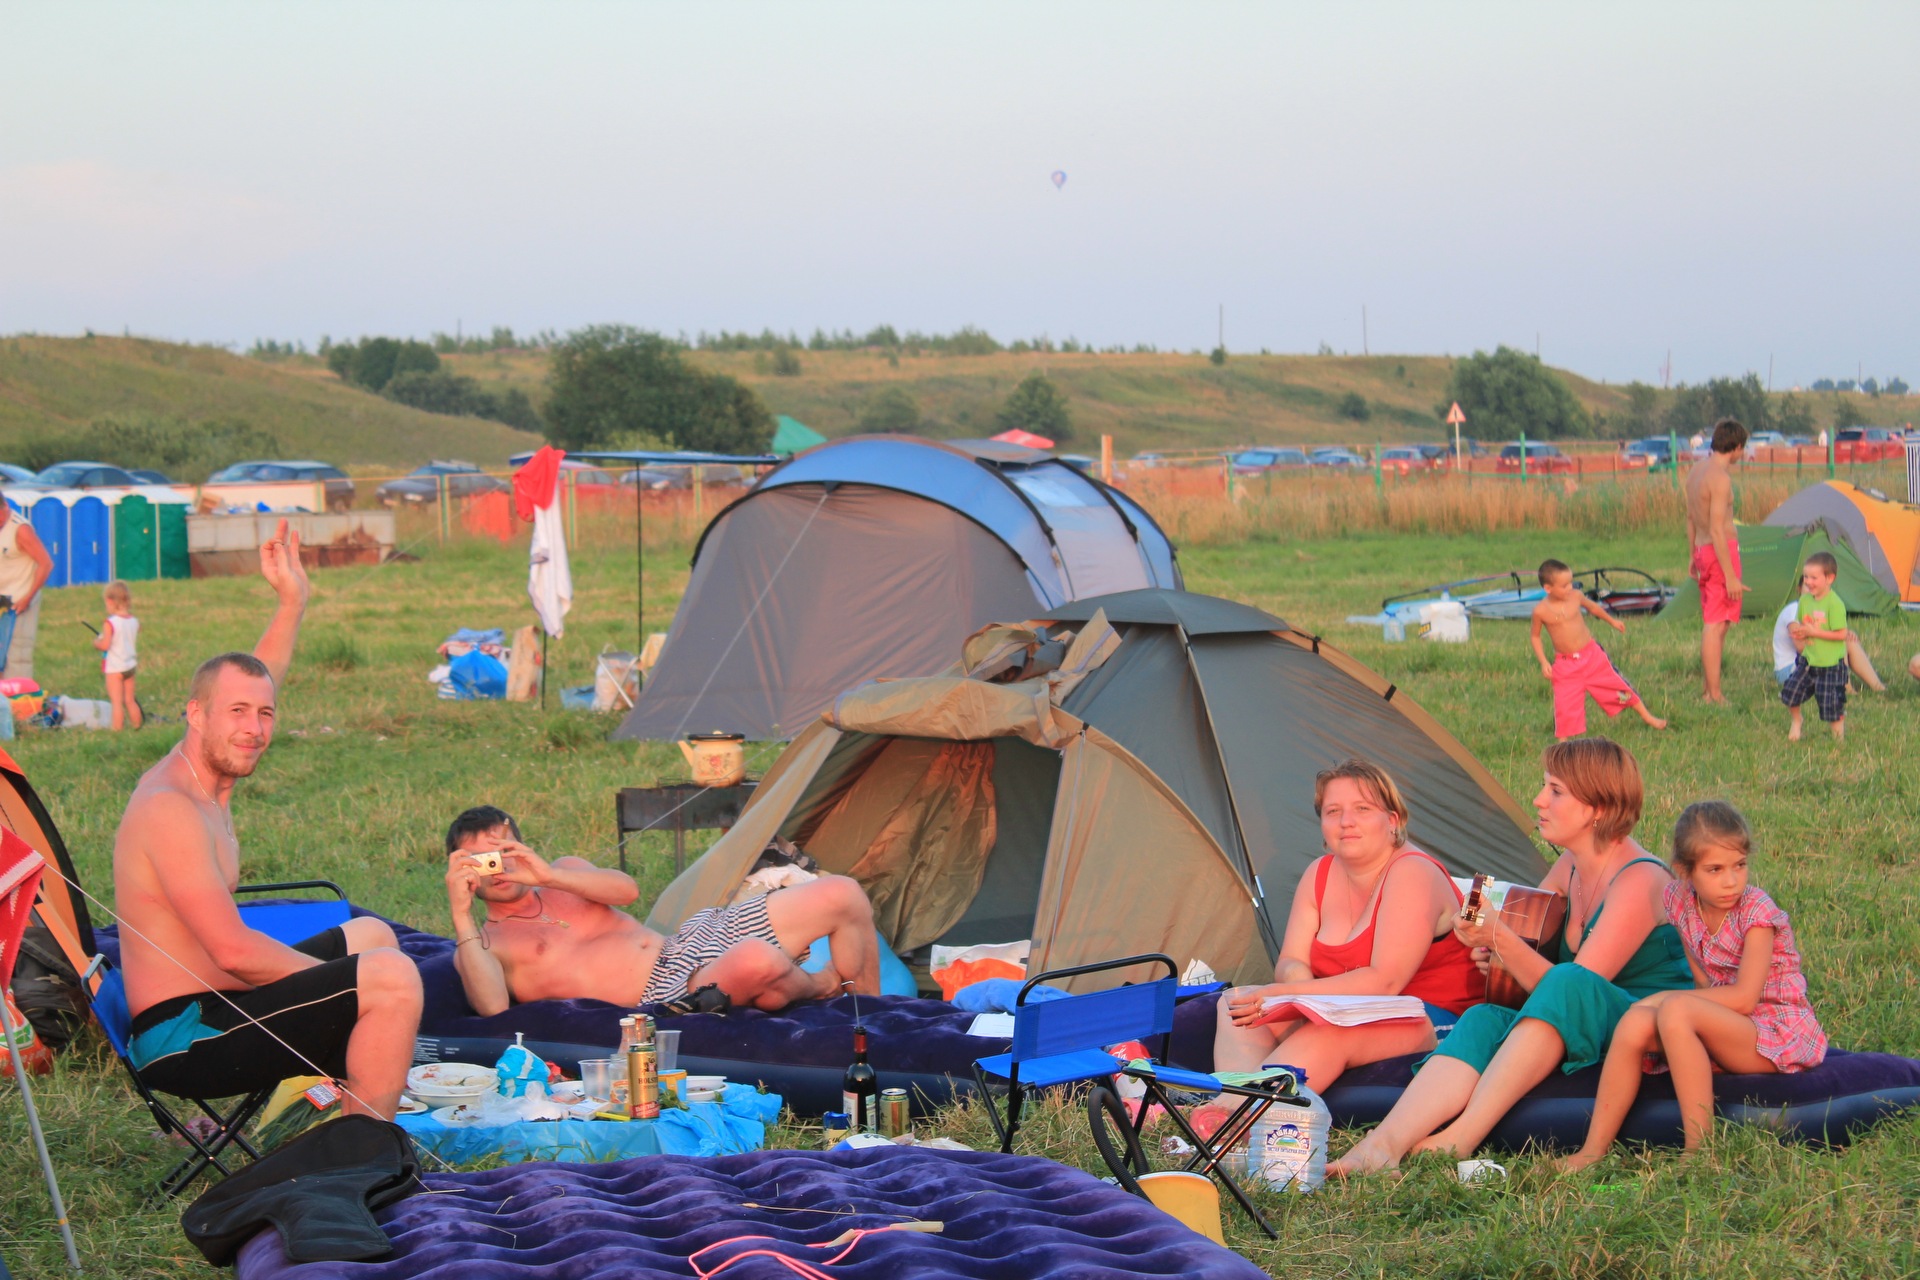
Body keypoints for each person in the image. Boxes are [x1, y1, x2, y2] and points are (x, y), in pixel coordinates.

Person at [114, 520, 422, 1120]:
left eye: (265, 714)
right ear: (195, 714)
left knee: (374, 937)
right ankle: (362, 1151)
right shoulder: (170, 808)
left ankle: (348, 1115)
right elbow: (235, 952)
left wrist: (292, 599)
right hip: (185, 1036)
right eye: (237, 713)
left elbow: (259, 675)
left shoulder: (209, 774)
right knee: (387, 975)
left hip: (218, 1002)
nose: (254, 728)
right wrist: (347, 988)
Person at [1328, 737, 1692, 1175]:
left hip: (1646, 1024)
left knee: (1567, 983)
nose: (1539, 800)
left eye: (1555, 791)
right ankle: (1384, 1143)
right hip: (1585, 1013)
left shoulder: (1640, 880)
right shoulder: (1571, 866)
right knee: (1483, 1017)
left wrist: (1502, 940)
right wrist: (1496, 953)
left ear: (1597, 807)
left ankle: (1460, 1138)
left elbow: (1575, 991)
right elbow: (1535, 953)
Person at [1556, 801, 1825, 1171]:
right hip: (1722, 1021)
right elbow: (1701, 981)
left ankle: (1700, 1151)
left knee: (1673, 1007)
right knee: (1634, 1023)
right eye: (1715, 869)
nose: (1731, 881)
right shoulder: (1679, 901)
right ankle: (1592, 1151)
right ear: (1685, 871)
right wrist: (1668, 1010)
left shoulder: (1757, 914)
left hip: (1773, 1030)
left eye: (1739, 866)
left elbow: (1745, 998)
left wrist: (1668, 1000)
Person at [1203, 760, 1481, 1113]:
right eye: (1333, 811)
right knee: (1237, 1005)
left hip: (1433, 1016)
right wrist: (1299, 996)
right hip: (1349, 1009)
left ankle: (1232, 1117)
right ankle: (1235, 1108)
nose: (1346, 822)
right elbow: (1290, 961)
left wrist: (1292, 995)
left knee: (1328, 1031)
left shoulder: (1412, 872)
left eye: (1362, 809)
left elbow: (1385, 982)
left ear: (1393, 821)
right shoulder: (1318, 873)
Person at [443, 806, 881, 1016]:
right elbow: (492, 1010)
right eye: (477, 863)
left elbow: (627, 891)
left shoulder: (565, 873)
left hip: (689, 942)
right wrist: (460, 912)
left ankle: (878, 1016)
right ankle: (820, 985)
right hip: (669, 994)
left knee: (841, 893)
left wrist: (546, 877)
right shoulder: (482, 944)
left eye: (501, 854)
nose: (494, 871)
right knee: (757, 961)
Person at [1530, 559, 1666, 739]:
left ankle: (1647, 716)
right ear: (1548, 588)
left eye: (1570, 582)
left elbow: (1593, 608)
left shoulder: (1576, 596)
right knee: (1565, 704)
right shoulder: (1540, 611)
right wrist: (1543, 661)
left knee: (1618, 685)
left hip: (1592, 656)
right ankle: (1562, 744)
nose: (1569, 587)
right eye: (1564, 586)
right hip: (1566, 665)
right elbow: (1535, 636)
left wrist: (1613, 621)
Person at [1684, 417, 1749, 703]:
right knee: (1715, 622)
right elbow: (1717, 529)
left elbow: (1690, 518)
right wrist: (1731, 576)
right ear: (1735, 447)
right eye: (1742, 448)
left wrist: (1691, 556)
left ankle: (1710, 689)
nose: (1742, 454)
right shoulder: (1720, 479)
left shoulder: (1696, 471)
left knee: (1718, 622)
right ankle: (1714, 693)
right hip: (1718, 552)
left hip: (1702, 551)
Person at [1780, 553, 1850, 741]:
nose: (1808, 582)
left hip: (1830, 666)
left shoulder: (1835, 604)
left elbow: (1842, 634)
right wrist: (1800, 632)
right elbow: (1804, 624)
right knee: (1790, 693)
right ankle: (1797, 720)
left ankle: (1838, 739)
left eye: (1814, 578)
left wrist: (1814, 633)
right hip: (1808, 662)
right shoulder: (1805, 601)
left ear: (1830, 578)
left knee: (1831, 705)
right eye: (1806, 577)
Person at [1771, 597, 1883, 692]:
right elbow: (1801, 648)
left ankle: (1878, 687)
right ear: (1799, 590)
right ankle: (1845, 688)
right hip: (1789, 670)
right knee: (1837, 644)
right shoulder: (1794, 610)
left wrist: (1846, 634)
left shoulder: (1821, 610)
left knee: (1848, 641)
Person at [0, 491, 53, 681]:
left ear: (4, 506)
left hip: (20, 600)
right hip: (1, 600)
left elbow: (45, 563)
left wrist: (28, 597)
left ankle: (18, 706)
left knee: (16, 659)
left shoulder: (21, 529)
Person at [95, 579, 143, 731]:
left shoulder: (110, 623)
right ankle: (137, 726)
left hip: (115, 668)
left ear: (109, 601)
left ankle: (117, 730)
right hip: (130, 666)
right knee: (129, 700)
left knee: (116, 702)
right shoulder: (134, 621)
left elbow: (105, 645)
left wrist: (97, 642)